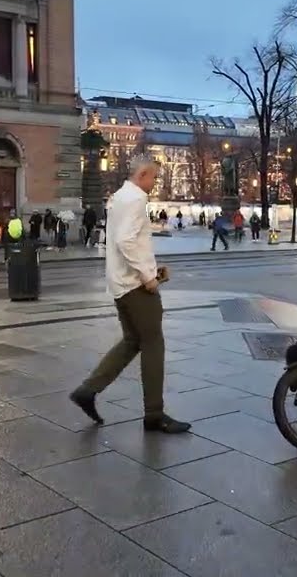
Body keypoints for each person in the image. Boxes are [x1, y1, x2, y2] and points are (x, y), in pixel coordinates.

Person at [69, 154, 190, 434]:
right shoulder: (135, 199)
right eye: (154, 177)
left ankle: (88, 390)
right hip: (136, 286)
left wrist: (150, 268)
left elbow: (125, 240)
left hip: (121, 283)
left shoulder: (119, 198)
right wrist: (148, 276)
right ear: (143, 174)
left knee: (132, 341)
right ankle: (154, 414)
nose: (155, 182)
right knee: (153, 343)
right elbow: (126, 241)